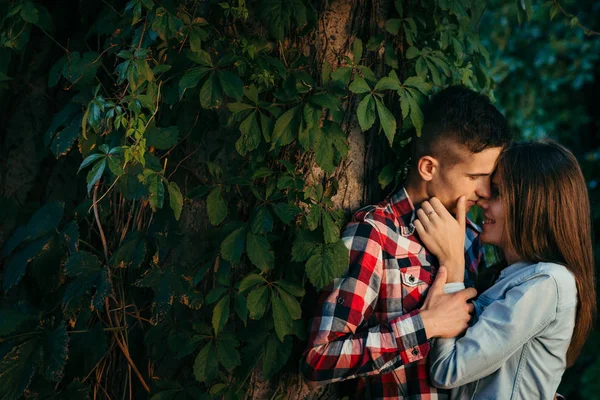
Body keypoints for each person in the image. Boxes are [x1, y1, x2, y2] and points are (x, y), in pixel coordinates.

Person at [299, 85, 512, 399]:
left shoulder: (470, 237)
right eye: (473, 177)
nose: (485, 191)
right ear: (428, 167)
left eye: (488, 177)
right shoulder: (376, 234)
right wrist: (425, 324)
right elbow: (318, 361)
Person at [414, 140, 596, 399]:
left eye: (497, 192)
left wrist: (452, 267)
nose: (484, 199)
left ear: (532, 204)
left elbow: (448, 371)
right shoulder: (507, 276)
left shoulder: (547, 283)